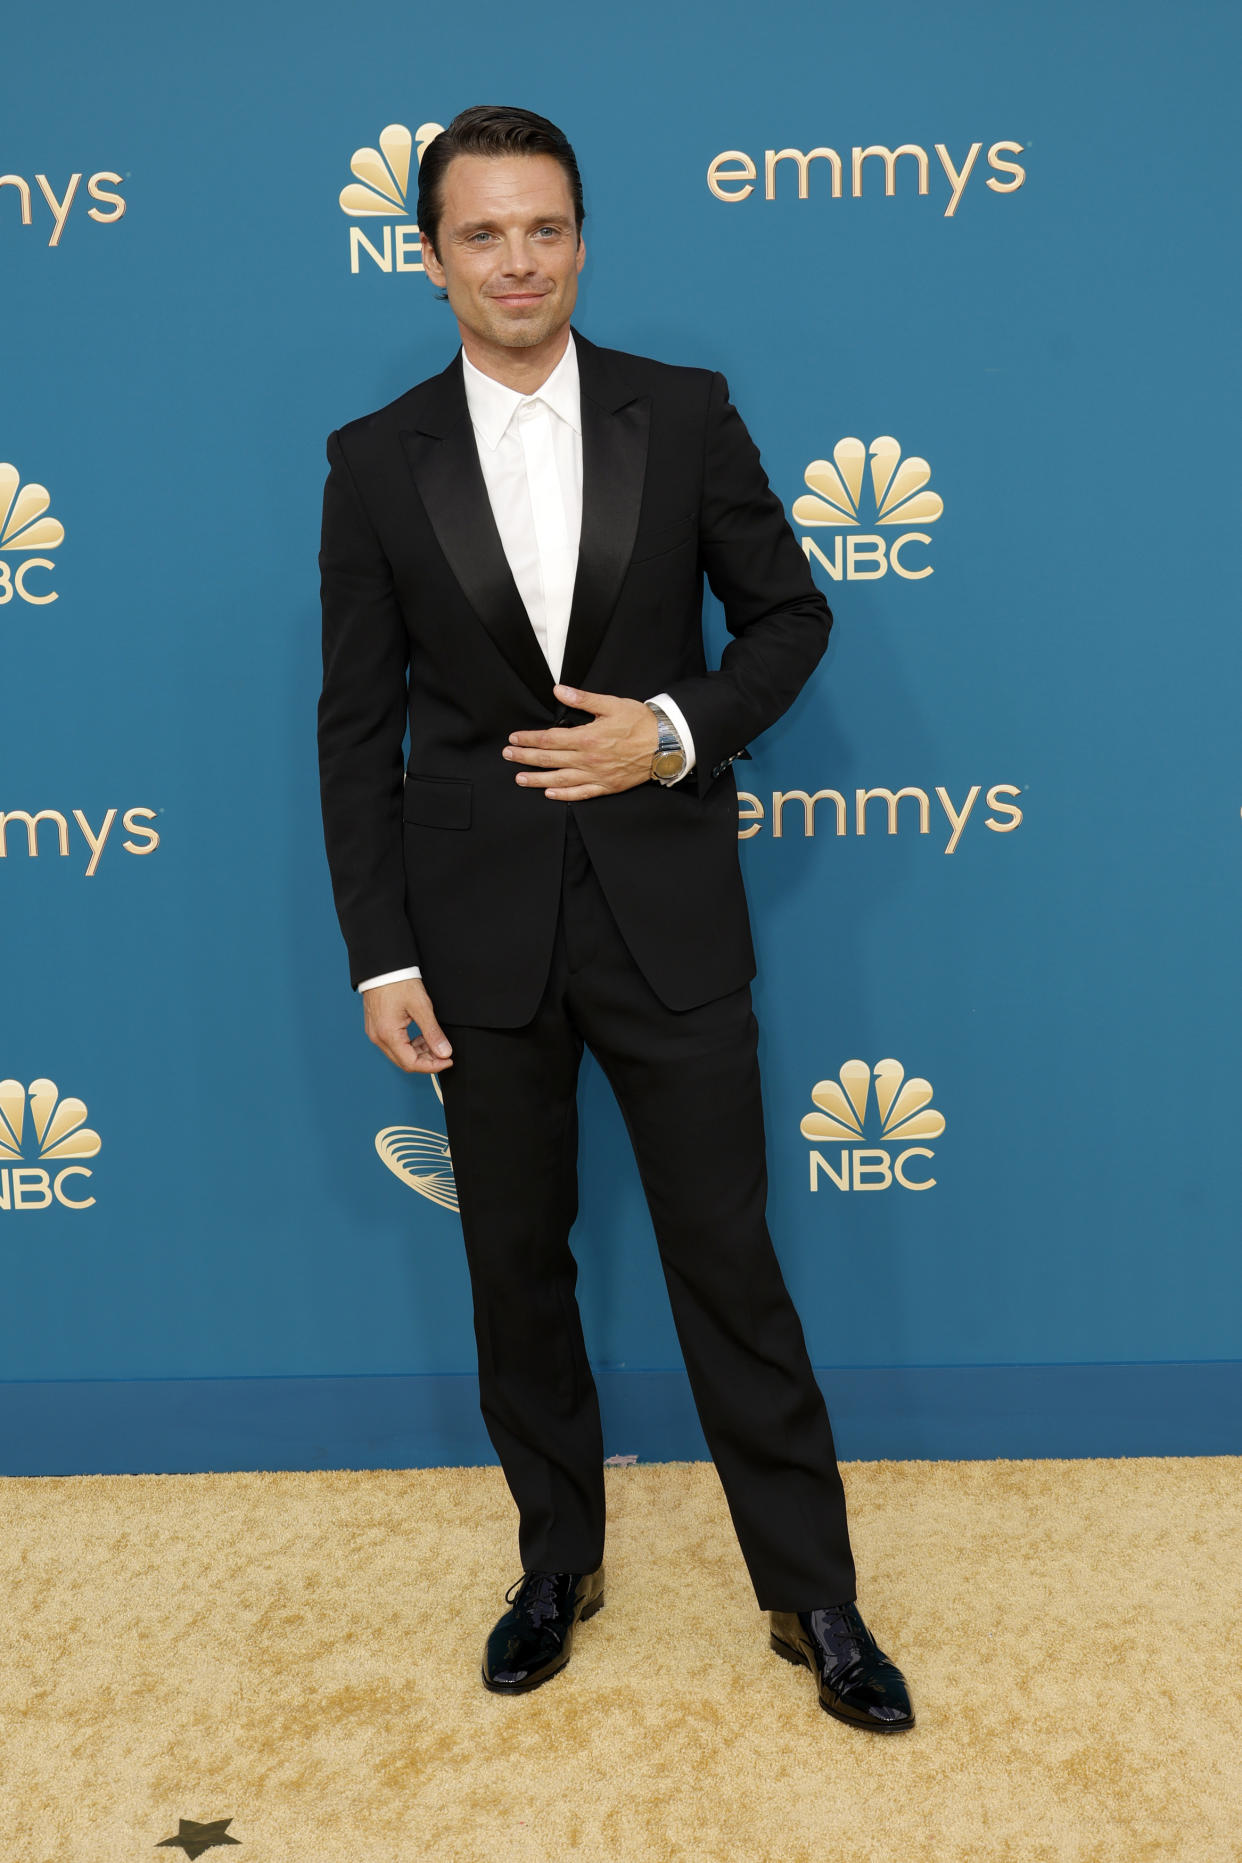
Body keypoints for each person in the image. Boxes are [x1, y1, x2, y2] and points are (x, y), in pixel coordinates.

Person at [317, 104, 914, 1732]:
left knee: (730, 1265)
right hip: (471, 937)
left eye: (545, 228)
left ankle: (814, 1599)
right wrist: (381, 953)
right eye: (483, 234)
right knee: (516, 1273)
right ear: (428, 253)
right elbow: (351, 724)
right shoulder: (374, 460)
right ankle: (552, 1564)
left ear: (582, 237)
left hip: (667, 917)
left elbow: (789, 616)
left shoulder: (686, 412)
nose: (518, 260)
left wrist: (668, 727)